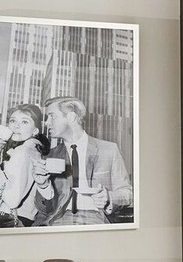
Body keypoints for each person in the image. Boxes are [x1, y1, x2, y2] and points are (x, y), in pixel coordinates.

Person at [34, 96, 133, 227]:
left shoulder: (109, 150)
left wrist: (108, 197)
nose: (46, 123)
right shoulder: (50, 156)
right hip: (60, 219)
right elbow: (45, 211)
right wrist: (43, 186)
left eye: (52, 116)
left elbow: (127, 193)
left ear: (71, 117)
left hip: (97, 219)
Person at [0, 103, 54, 227]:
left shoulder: (23, 151)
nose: (16, 126)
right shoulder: (32, 150)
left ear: (35, 130)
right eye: (12, 121)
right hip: (22, 219)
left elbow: (12, 200)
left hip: (9, 219)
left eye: (24, 122)